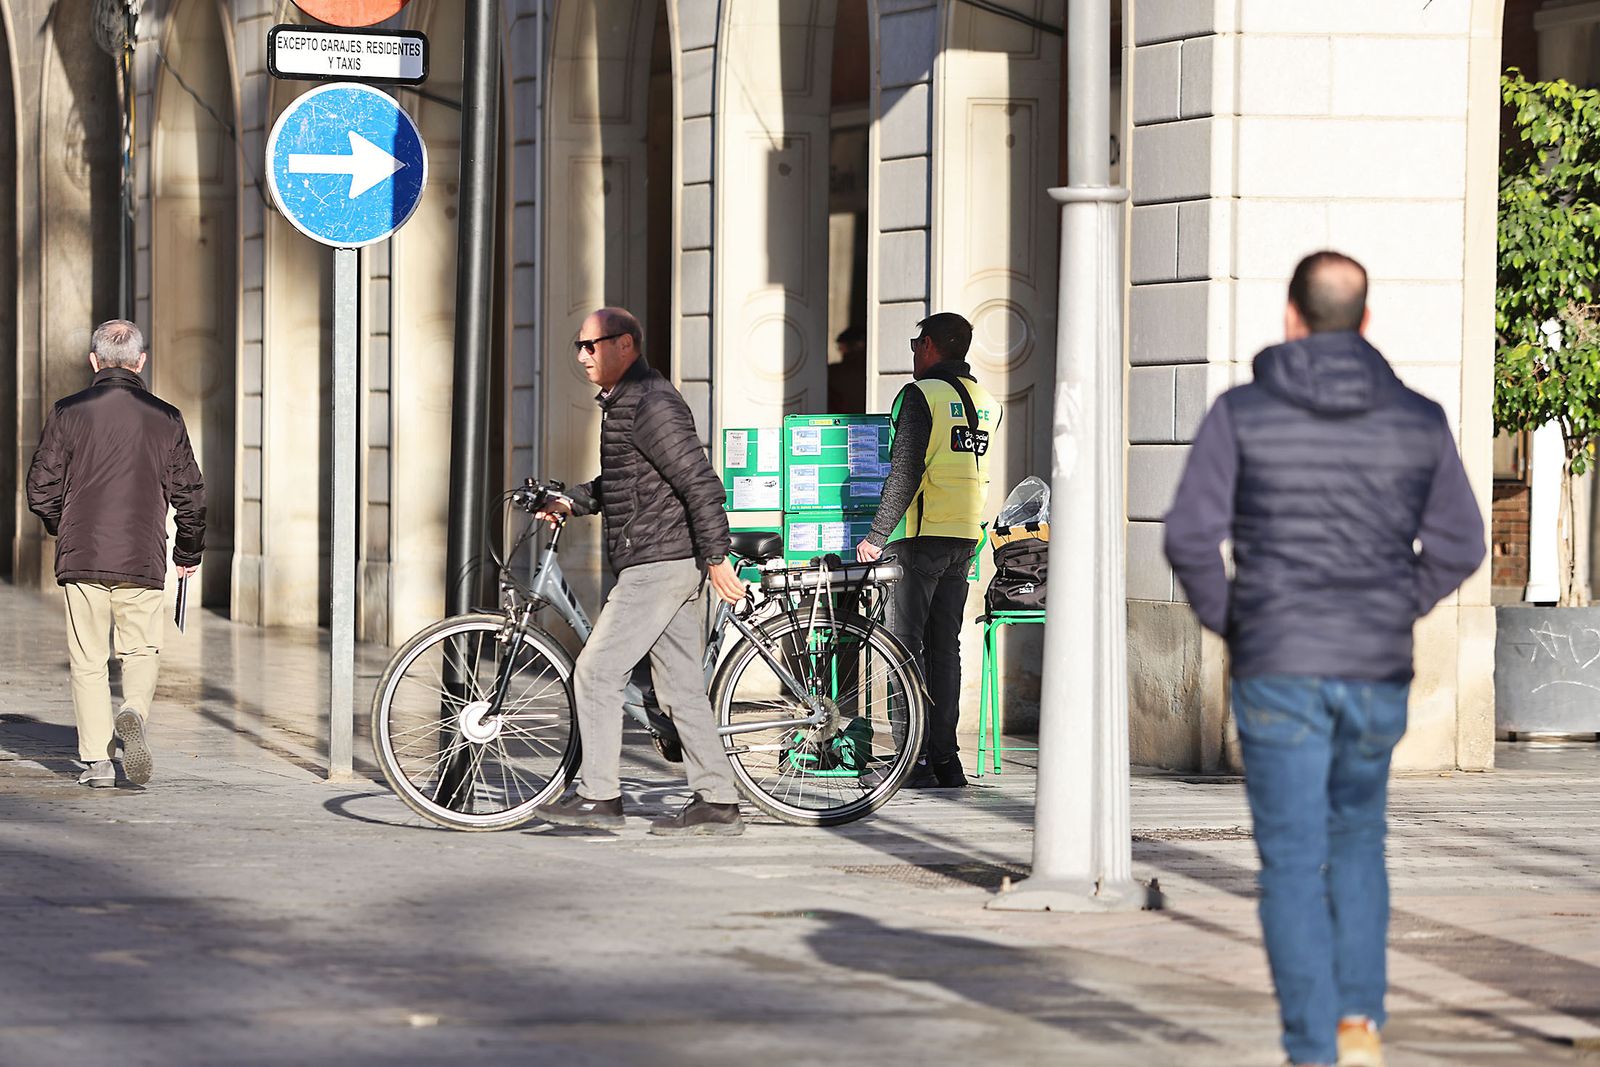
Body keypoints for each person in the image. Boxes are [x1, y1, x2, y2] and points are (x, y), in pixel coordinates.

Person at [1163, 252, 1485, 1067]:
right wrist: (1397, 602)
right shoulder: (1419, 418)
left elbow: (1190, 536)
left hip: (1278, 666)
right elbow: (1460, 541)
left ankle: (1313, 1047)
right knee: (1358, 841)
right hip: (1374, 667)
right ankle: (1359, 1024)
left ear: (1291, 318)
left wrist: (1239, 621)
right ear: (1365, 320)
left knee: (1293, 859)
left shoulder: (1241, 413)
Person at [532, 307, 748, 836]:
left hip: (659, 563)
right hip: (663, 558)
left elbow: (699, 481)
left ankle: (599, 794)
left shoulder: (652, 403)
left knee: (598, 671)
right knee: (679, 691)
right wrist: (573, 500)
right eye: (579, 346)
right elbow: (627, 480)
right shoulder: (627, 403)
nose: (583, 356)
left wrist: (717, 557)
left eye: (593, 344)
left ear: (625, 344)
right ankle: (717, 803)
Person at [25, 320, 206, 789]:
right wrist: (188, 550)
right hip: (142, 555)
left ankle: (97, 762)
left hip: (82, 555)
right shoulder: (166, 418)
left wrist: (63, 528)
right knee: (141, 648)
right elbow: (190, 494)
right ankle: (133, 712)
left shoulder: (67, 412)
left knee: (87, 659)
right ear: (141, 362)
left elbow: (40, 489)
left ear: (94, 361)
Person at [855, 312, 1001, 789]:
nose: (914, 352)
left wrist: (877, 535)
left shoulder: (920, 397)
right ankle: (946, 760)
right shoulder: (986, 402)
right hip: (963, 537)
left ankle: (911, 759)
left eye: (917, 343)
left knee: (904, 649)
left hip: (918, 539)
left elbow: (905, 470)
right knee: (945, 649)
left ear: (933, 346)